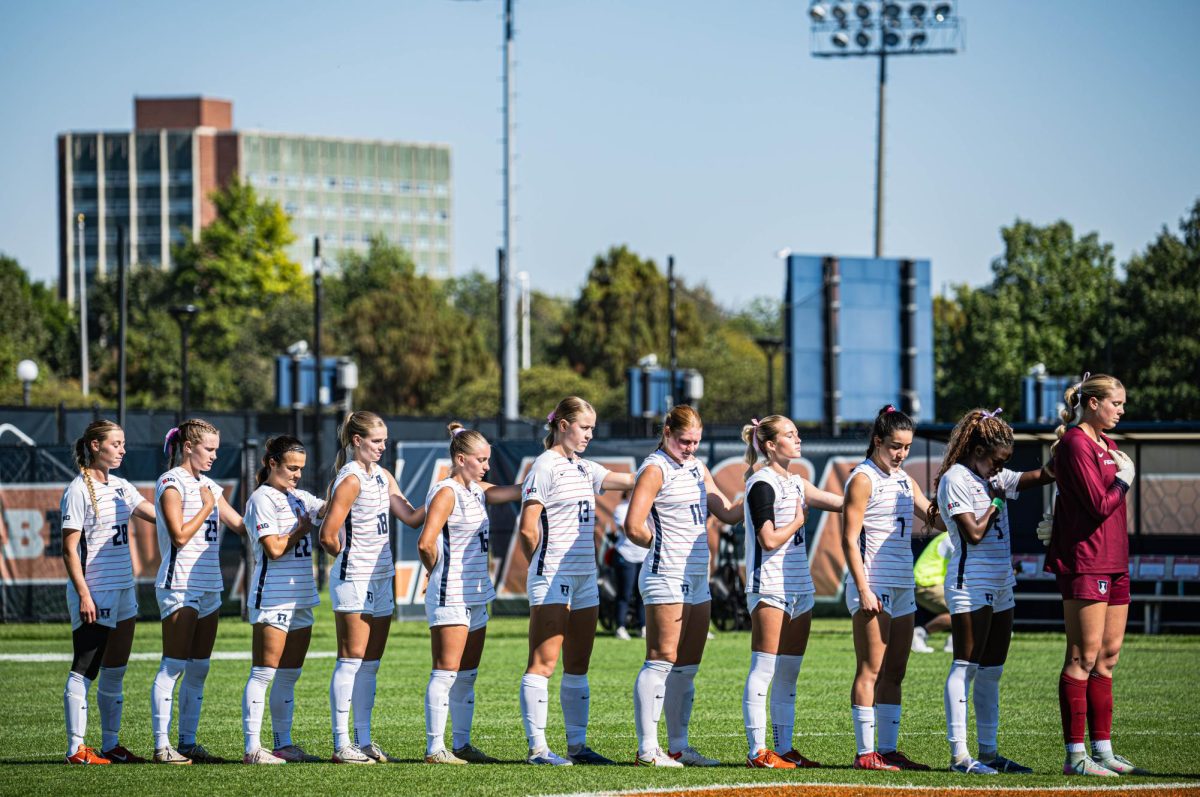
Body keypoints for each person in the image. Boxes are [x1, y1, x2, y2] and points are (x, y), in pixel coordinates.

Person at [934, 407, 1054, 775]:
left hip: (1002, 581)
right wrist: (997, 500)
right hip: (971, 580)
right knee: (966, 665)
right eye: (998, 461)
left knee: (992, 670)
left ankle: (988, 753)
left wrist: (1067, 444)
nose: (1001, 468)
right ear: (980, 451)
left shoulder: (994, 476)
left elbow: (1042, 476)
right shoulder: (956, 478)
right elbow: (973, 532)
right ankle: (960, 756)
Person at [517, 396, 635, 766]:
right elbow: (527, 527)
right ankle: (538, 749)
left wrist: (665, 468)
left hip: (586, 575)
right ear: (563, 425)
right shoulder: (545, 466)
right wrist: (539, 565)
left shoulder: (584, 467)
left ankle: (577, 747)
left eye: (592, 429)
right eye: (584, 427)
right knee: (543, 662)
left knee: (578, 663)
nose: (589, 435)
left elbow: (627, 480)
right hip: (553, 574)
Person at [624, 405, 743, 768]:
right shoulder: (655, 467)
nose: (689, 447)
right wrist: (660, 546)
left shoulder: (696, 467)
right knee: (661, 659)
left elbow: (726, 512)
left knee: (687, 666)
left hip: (696, 575)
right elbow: (633, 524)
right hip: (666, 573)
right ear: (666, 432)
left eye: (695, 441)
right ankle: (648, 749)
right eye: (683, 440)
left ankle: (678, 747)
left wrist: (759, 481)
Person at [1041, 373, 1145, 777]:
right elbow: (1100, 504)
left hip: (1115, 559)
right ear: (1093, 403)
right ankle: (1075, 757)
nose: (1121, 410)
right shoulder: (1074, 443)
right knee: (1082, 656)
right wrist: (1124, 480)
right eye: (1116, 403)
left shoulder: (1108, 445)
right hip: (1086, 561)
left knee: (1107, 657)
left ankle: (1102, 750)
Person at [319, 411, 425, 764]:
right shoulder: (350, 479)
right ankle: (341, 743)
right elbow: (328, 535)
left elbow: (410, 517)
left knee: (371, 664)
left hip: (381, 577)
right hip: (355, 578)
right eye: (376, 440)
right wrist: (349, 559)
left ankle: (363, 740)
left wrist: (448, 488)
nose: (383, 446)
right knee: (350, 660)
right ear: (357, 441)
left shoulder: (382, 476)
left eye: (384, 440)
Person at [739, 415, 844, 769]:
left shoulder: (798, 481)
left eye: (797, 432)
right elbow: (767, 539)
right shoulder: (761, 482)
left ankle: (784, 748)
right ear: (770, 445)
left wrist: (873, 492)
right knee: (764, 669)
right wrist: (799, 521)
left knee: (789, 672)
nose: (797, 438)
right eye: (789, 434)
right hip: (769, 586)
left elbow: (843, 502)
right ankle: (758, 751)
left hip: (800, 586)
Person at [841, 404, 942, 771]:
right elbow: (849, 540)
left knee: (896, 671)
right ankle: (865, 753)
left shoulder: (903, 479)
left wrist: (967, 501)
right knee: (871, 668)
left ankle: (887, 748)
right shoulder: (863, 478)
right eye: (895, 446)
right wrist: (863, 588)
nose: (901, 454)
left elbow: (937, 519)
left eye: (907, 447)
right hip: (873, 584)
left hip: (902, 584)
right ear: (878, 441)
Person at [417, 423, 522, 764]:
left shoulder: (476, 489)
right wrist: (434, 569)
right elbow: (425, 542)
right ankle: (435, 748)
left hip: (476, 592)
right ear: (461, 459)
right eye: (481, 460)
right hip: (451, 592)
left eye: (488, 459)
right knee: (446, 671)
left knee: (467, 674)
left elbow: (511, 491)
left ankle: (461, 744)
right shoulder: (446, 492)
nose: (486, 466)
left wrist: (542, 482)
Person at [60, 420, 159, 765]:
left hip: (123, 588)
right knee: (85, 668)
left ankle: (112, 745)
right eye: (115, 443)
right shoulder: (78, 489)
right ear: (94, 445)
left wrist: (188, 509)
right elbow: (70, 549)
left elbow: (155, 514)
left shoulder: (119, 485)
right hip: (96, 591)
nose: (122, 449)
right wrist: (84, 594)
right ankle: (76, 748)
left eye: (123, 443)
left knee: (116, 669)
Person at [150, 420, 246, 764]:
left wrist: (285, 510)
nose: (214, 455)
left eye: (217, 449)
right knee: (173, 665)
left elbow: (241, 525)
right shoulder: (170, 482)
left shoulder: (209, 485)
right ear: (188, 446)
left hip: (209, 585)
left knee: (199, 667)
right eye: (209, 448)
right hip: (179, 585)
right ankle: (162, 747)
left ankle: (187, 743)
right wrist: (207, 507)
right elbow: (178, 535)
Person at [240, 436, 325, 765]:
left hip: (302, 596)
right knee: (263, 673)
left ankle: (283, 744)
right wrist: (300, 531)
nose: (297, 474)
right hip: (273, 596)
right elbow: (273, 549)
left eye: (301, 468)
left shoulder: (299, 497)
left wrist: (347, 474)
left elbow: (330, 508)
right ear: (272, 463)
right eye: (291, 467)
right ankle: (252, 749)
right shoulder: (262, 498)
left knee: (290, 674)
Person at [609, 491, 646, 640]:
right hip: (626, 555)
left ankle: (642, 626)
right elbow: (628, 530)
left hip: (643, 556)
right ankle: (620, 626)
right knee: (625, 593)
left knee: (642, 594)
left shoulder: (646, 507)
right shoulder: (621, 509)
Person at [912, 532, 953, 654]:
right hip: (927, 583)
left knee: (965, 612)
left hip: (928, 582)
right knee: (964, 611)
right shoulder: (950, 538)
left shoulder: (951, 535)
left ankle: (955, 642)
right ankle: (919, 634)